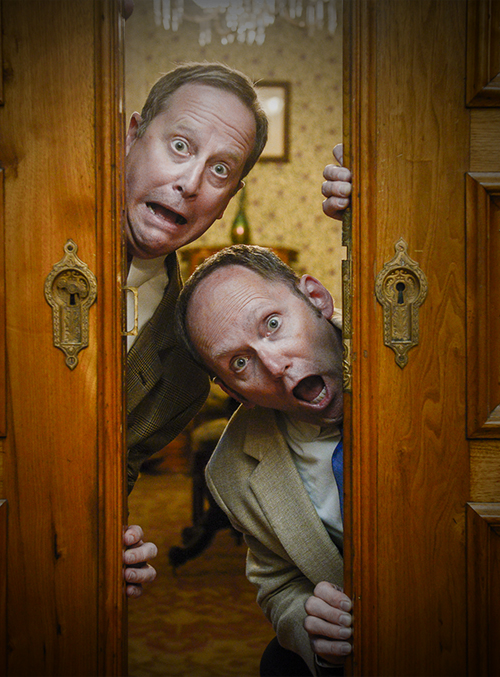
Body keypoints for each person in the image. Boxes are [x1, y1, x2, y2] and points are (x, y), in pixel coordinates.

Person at [120, 62, 269, 597]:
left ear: (230, 198)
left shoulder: (184, 374)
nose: (189, 183)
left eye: (220, 170)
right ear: (132, 135)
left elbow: (112, 477)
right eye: (180, 146)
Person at [175, 245, 353, 676]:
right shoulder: (231, 471)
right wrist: (314, 629)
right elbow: (279, 585)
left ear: (316, 298)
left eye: (272, 324)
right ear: (233, 392)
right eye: (240, 362)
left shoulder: (418, 353)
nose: (274, 365)